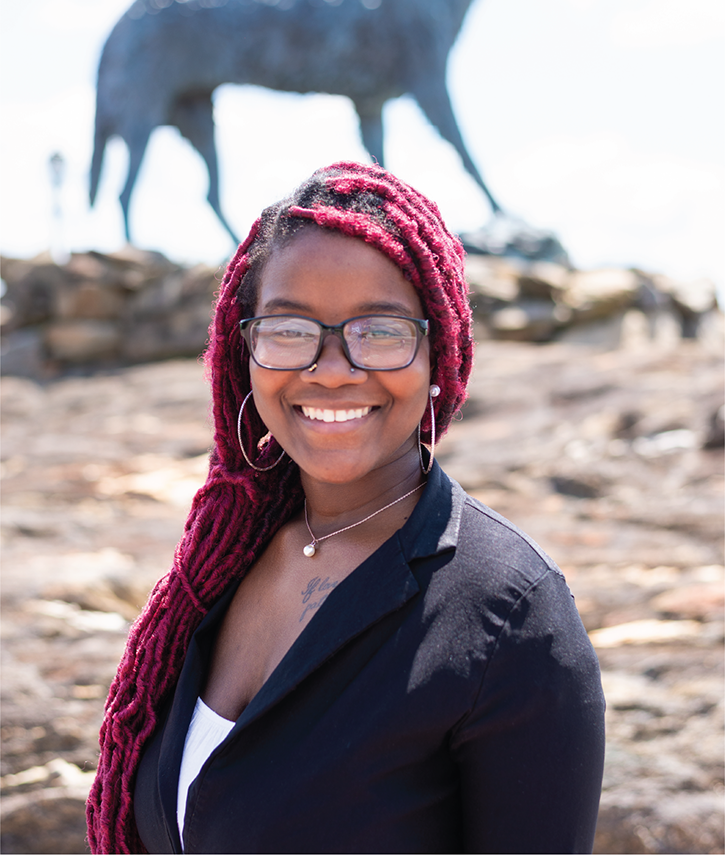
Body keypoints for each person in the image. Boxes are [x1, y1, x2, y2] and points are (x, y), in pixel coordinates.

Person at [87, 162, 605, 854]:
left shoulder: (511, 618)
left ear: (438, 354)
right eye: (288, 328)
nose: (331, 368)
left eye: (381, 330)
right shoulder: (220, 562)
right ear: (243, 351)